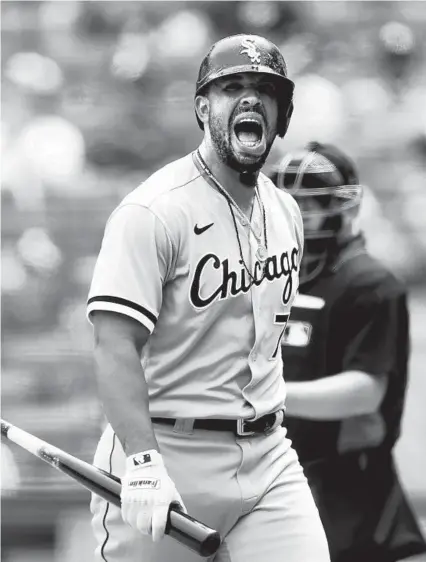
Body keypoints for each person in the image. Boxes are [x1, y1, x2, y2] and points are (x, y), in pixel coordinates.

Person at [87, 35, 330, 562]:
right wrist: (144, 464)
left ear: (282, 114)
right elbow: (114, 345)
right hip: (171, 453)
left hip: (268, 457)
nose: (250, 99)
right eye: (232, 88)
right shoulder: (153, 210)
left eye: (265, 90)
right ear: (202, 108)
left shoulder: (286, 212)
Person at [269, 142, 426, 562]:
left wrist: (268, 396)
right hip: (280, 476)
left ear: (343, 208)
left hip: (351, 493)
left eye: (310, 204)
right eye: (290, 203)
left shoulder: (370, 285)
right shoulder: (271, 278)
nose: (298, 215)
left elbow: (364, 391)